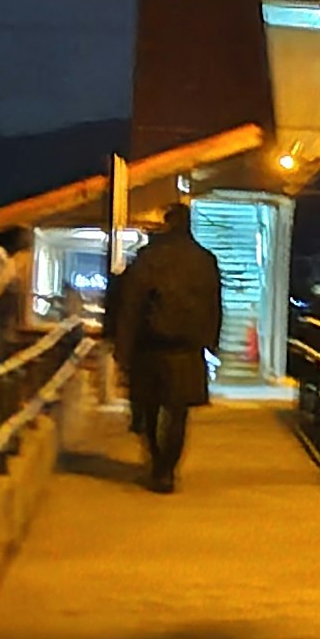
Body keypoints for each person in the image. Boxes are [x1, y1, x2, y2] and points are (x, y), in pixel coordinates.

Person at [101, 197, 224, 491]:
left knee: (150, 409)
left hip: (151, 347)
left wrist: (123, 349)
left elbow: (132, 304)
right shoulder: (205, 260)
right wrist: (212, 342)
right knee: (178, 413)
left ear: (167, 223)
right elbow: (215, 305)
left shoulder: (149, 258)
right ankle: (168, 468)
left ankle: (157, 465)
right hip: (188, 350)